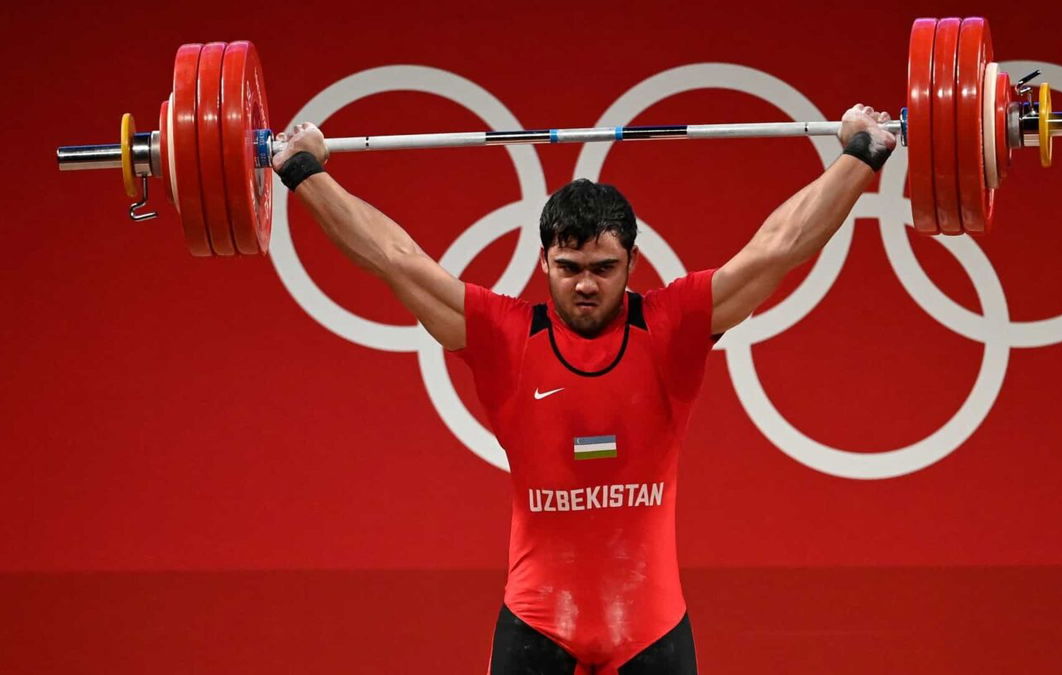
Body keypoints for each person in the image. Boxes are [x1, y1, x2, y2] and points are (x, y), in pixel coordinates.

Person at [271, 104, 895, 675]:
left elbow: (777, 250)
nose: (587, 285)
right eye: (569, 269)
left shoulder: (674, 325)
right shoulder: (502, 337)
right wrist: (304, 171)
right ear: (543, 263)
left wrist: (860, 155)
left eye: (604, 269)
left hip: (653, 633)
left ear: (632, 263)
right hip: (536, 629)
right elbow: (394, 259)